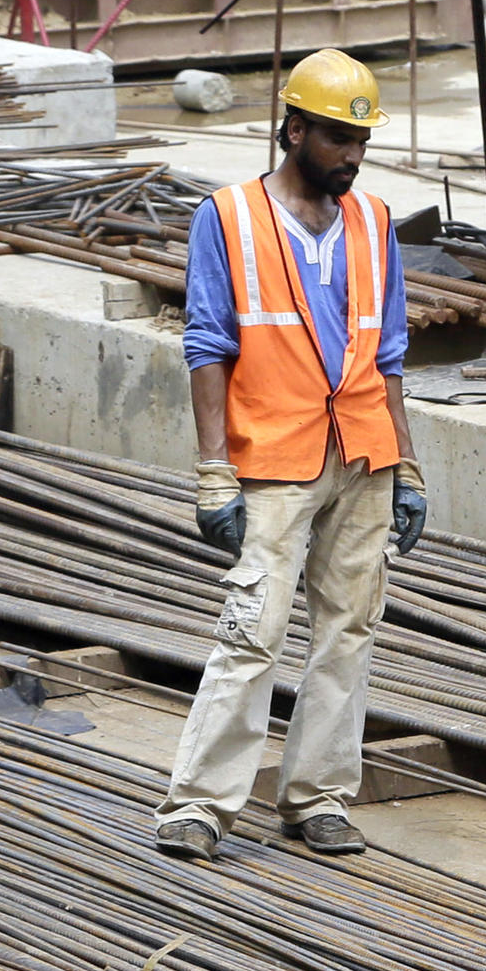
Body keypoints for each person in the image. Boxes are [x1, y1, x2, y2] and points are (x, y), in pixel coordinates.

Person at [159, 49, 429, 860]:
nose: (352, 156)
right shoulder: (231, 218)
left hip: (365, 452)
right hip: (273, 457)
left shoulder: (374, 222)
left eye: (362, 142)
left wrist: (406, 463)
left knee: (350, 628)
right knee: (253, 628)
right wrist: (214, 469)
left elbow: (389, 358)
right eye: (339, 139)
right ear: (295, 129)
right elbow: (206, 345)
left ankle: (316, 796)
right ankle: (200, 804)